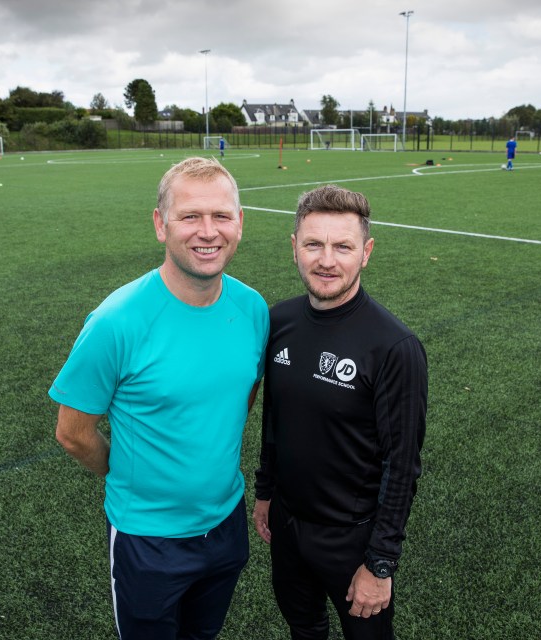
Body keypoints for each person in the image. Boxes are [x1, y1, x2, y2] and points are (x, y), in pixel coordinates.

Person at [50, 156, 269, 639]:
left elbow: (242, 397)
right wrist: (132, 473)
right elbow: (73, 434)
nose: (207, 231)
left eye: (221, 216)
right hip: (147, 539)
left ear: (240, 223)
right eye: (190, 216)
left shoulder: (253, 309)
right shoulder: (116, 321)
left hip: (226, 527)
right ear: (160, 224)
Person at [253, 184, 428, 640]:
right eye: (313, 244)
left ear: (365, 252)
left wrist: (380, 563)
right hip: (288, 526)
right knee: (303, 628)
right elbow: (275, 417)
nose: (326, 260)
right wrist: (266, 492)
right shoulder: (279, 322)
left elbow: (402, 464)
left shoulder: (394, 347)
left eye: (342, 246)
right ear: (294, 248)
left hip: (352, 541)